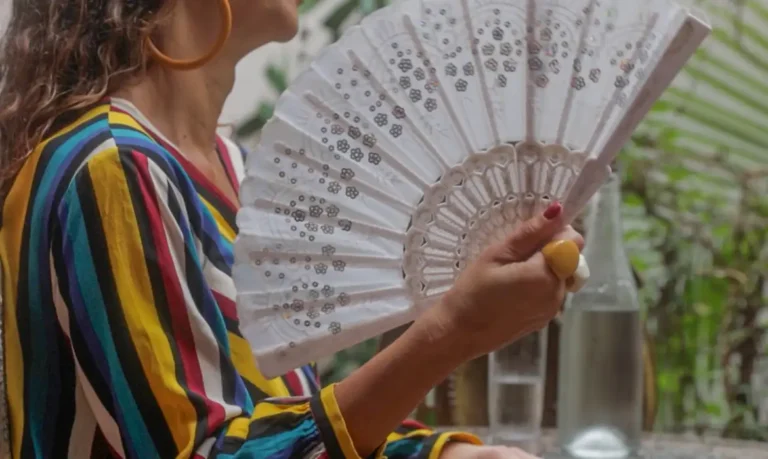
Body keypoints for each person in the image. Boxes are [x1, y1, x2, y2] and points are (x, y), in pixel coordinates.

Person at [0, 0, 584, 458]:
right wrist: (453, 331)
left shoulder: (231, 168)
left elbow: (279, 429)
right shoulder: (113, 166)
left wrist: (445, 452)